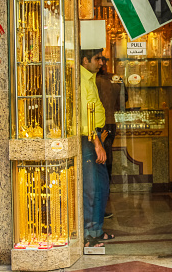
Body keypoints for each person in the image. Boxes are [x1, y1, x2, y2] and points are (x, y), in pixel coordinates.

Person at [80, 47, 115, 248]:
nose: (101, 62)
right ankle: (88, 236)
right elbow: (86, 115)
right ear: (85, 60)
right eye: (97, 58)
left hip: (96, 135)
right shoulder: (82, 81)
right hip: (89, 138)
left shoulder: (90, 78)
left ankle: (96, 230)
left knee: (101, 186)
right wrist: (96, 143)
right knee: (92, 188)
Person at [96, 57, 128, 219]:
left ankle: (101, 201)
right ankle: (105, 196)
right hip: (110, 122)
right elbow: (124, 99)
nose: (101, 63)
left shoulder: (94, 80)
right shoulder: (116, 79)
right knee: (106, 160)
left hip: (99, 124)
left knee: (100, 161)